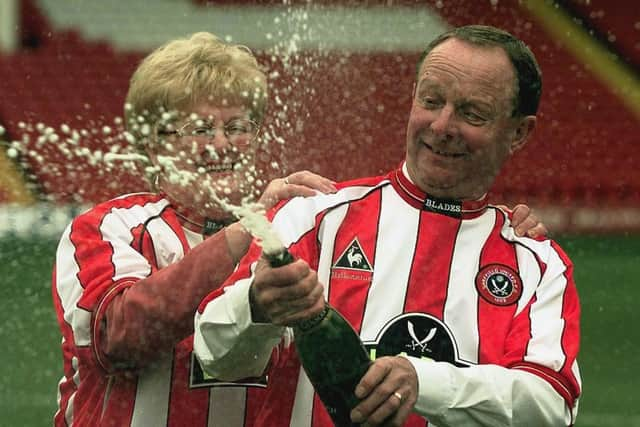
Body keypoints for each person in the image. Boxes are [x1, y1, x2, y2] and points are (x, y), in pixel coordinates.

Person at [193, 25, 580, 427]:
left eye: (471, 113)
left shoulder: (535, 261)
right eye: (431, 101)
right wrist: (254, 305)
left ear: (519, 132)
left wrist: (424, 382)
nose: (442, 125)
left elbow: (553, 407)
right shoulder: (315, 217)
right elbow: (214, 353)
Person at [51, 32, 340, 426]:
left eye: (237, 126)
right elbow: (119, 338)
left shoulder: (294, 229)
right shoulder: (107, 227)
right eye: (200, 130)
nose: (222, 144)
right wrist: (246, 229)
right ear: (155, 147)